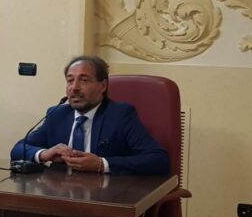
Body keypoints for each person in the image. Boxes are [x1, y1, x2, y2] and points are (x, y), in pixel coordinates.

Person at [10, 55, 170, 175]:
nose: (74, 87)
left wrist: (101, 164)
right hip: (61, 196)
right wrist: (44, 154)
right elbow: (18, 149)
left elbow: (158, 160)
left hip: (107, 199)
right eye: (70, 80)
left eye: (84, 80)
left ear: (103, 86)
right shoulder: (57, 115)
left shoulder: (120, 115)